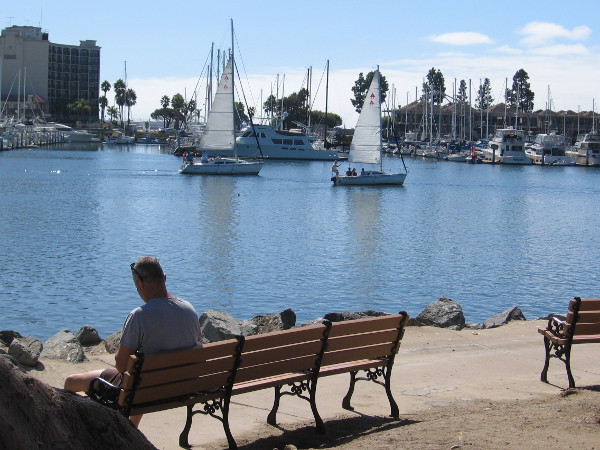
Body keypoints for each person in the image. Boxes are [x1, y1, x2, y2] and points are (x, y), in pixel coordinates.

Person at [64, 256, 202, 427]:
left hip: (142, 391)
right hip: (182, 388)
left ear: (139, 282)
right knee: (141, 379)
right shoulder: (189, 310)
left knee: (71, 381)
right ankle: (132, 429)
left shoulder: (139, 316)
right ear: (164, 278)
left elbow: (121, 367)